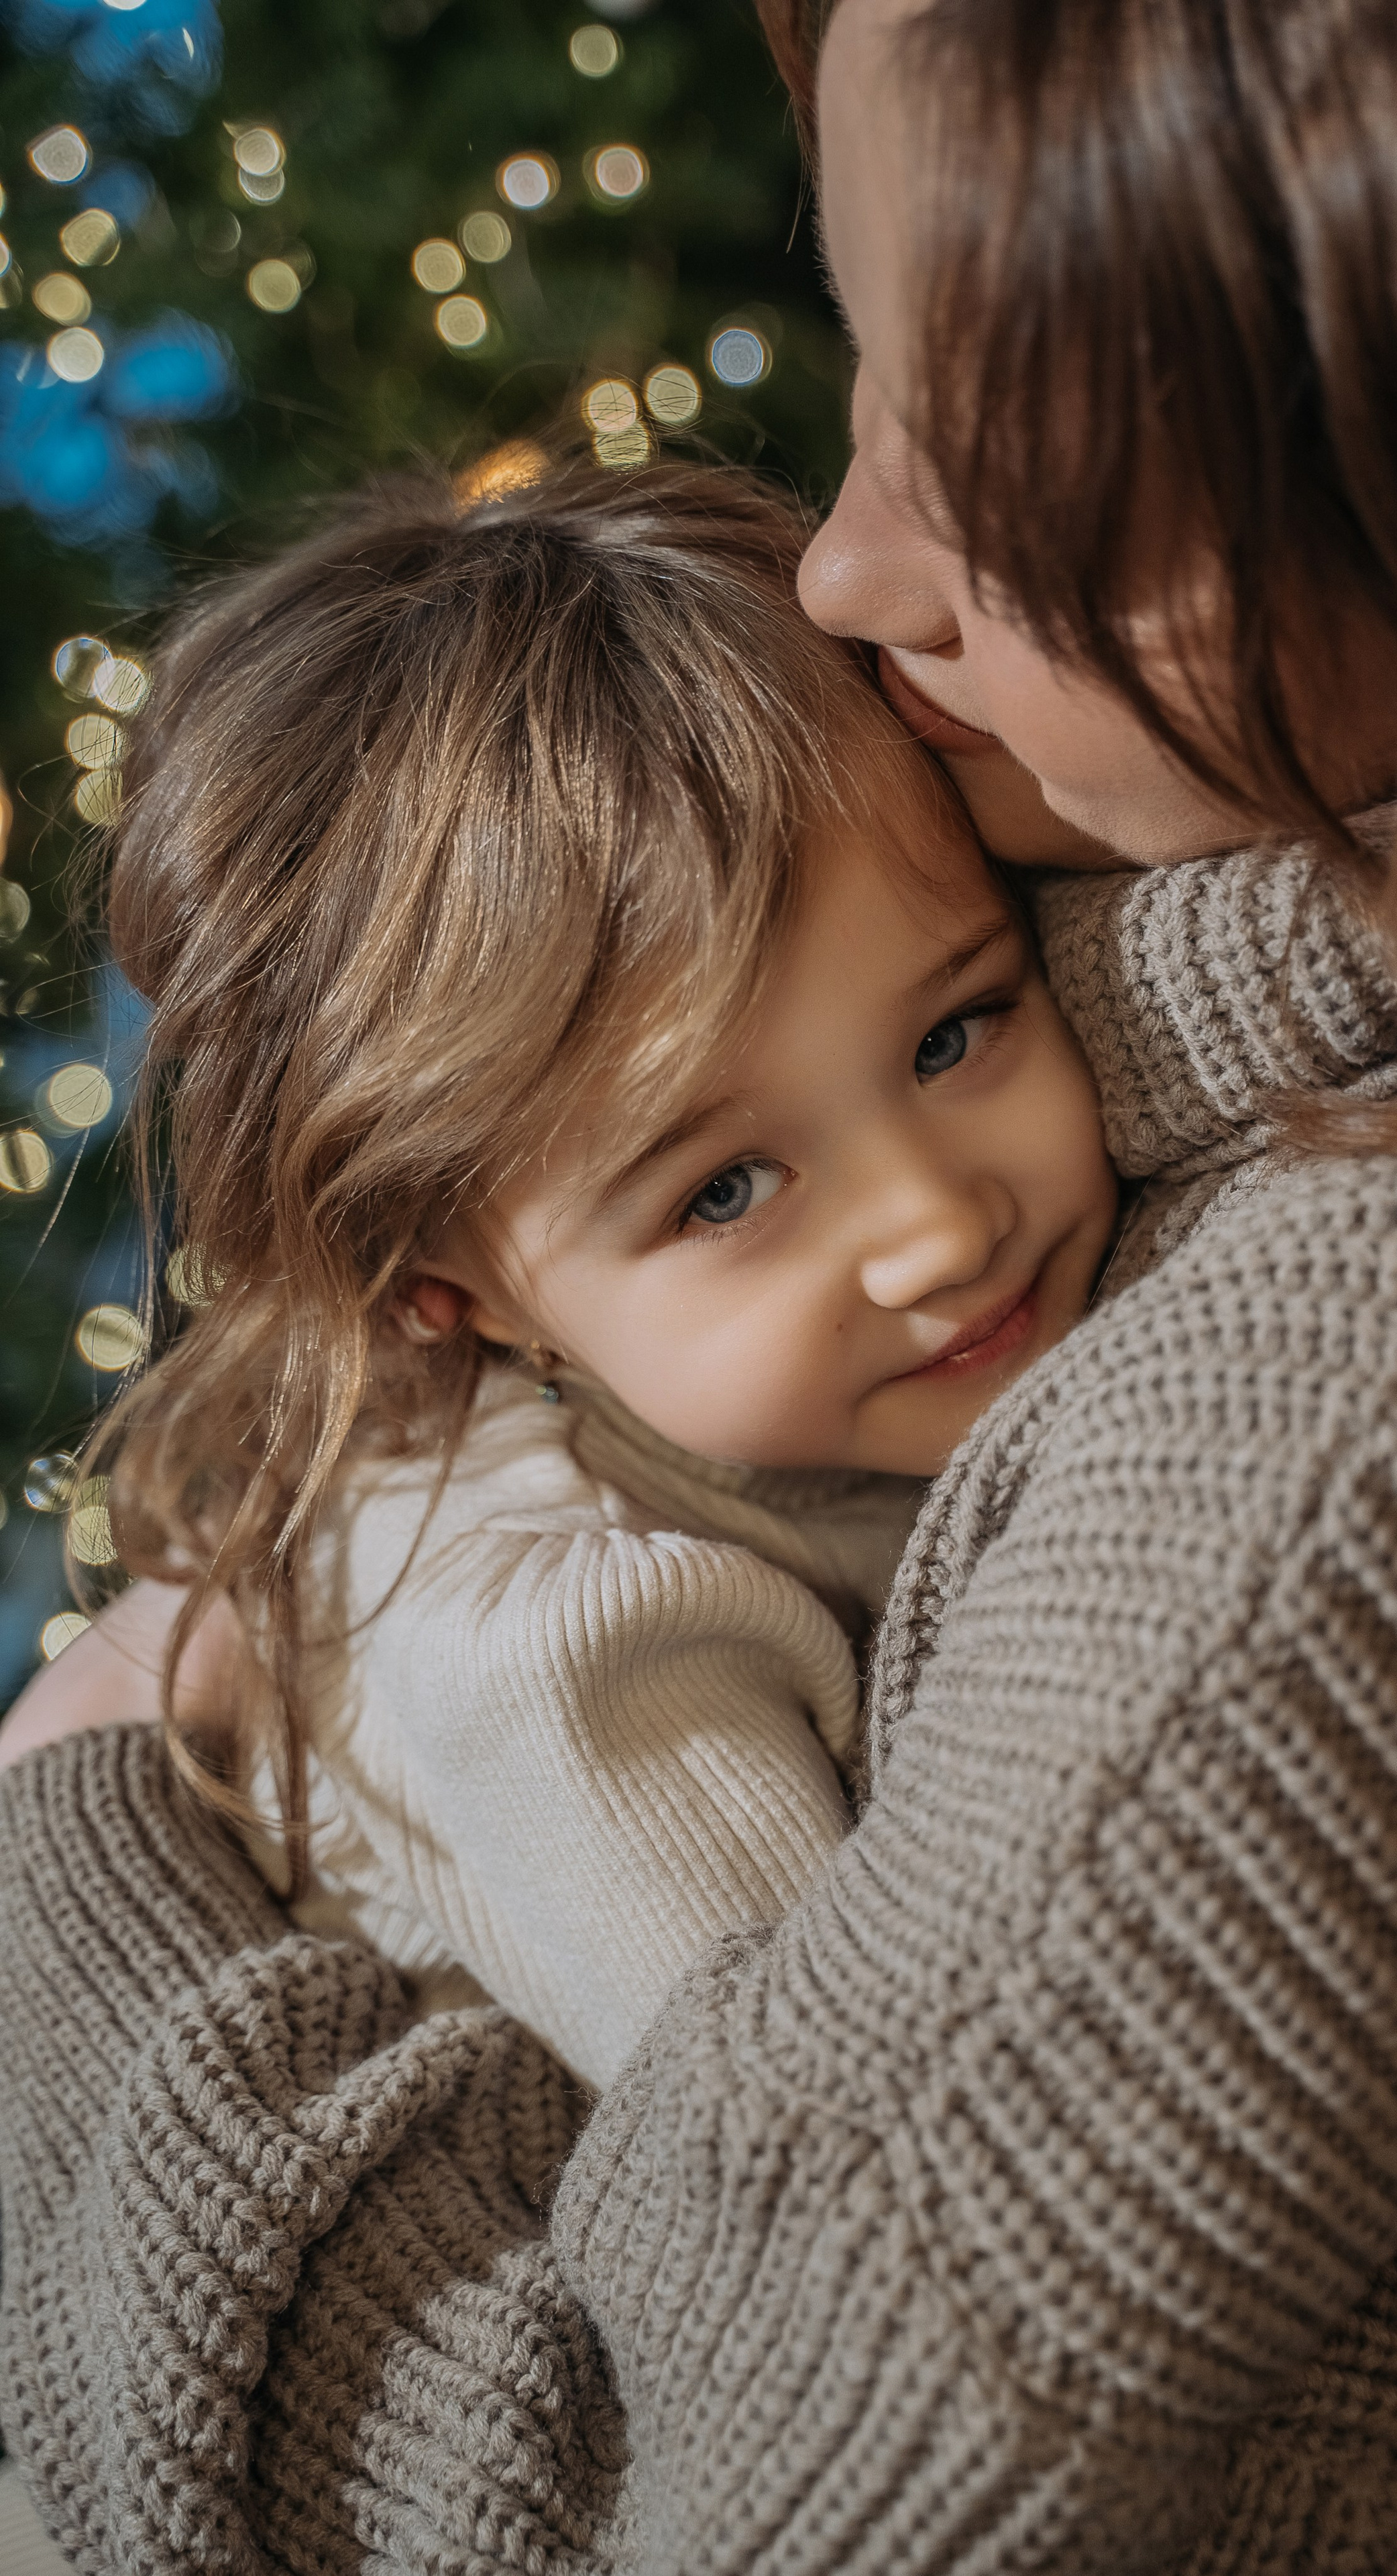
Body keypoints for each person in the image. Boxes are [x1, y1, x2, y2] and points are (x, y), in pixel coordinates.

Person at [6, 0, 1397, 2567]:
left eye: (997, 470)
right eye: (861, 380)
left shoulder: (1381, 1377)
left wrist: (69, 1933)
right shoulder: (1177, 984)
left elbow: (713, 2470)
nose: (843, 566)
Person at [2, 456, 1113, 2095]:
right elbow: (852, 2184)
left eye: (952, 1033)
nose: (937, 1226)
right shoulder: (568, 1644)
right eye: (723, 1190)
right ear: (452, 1294)